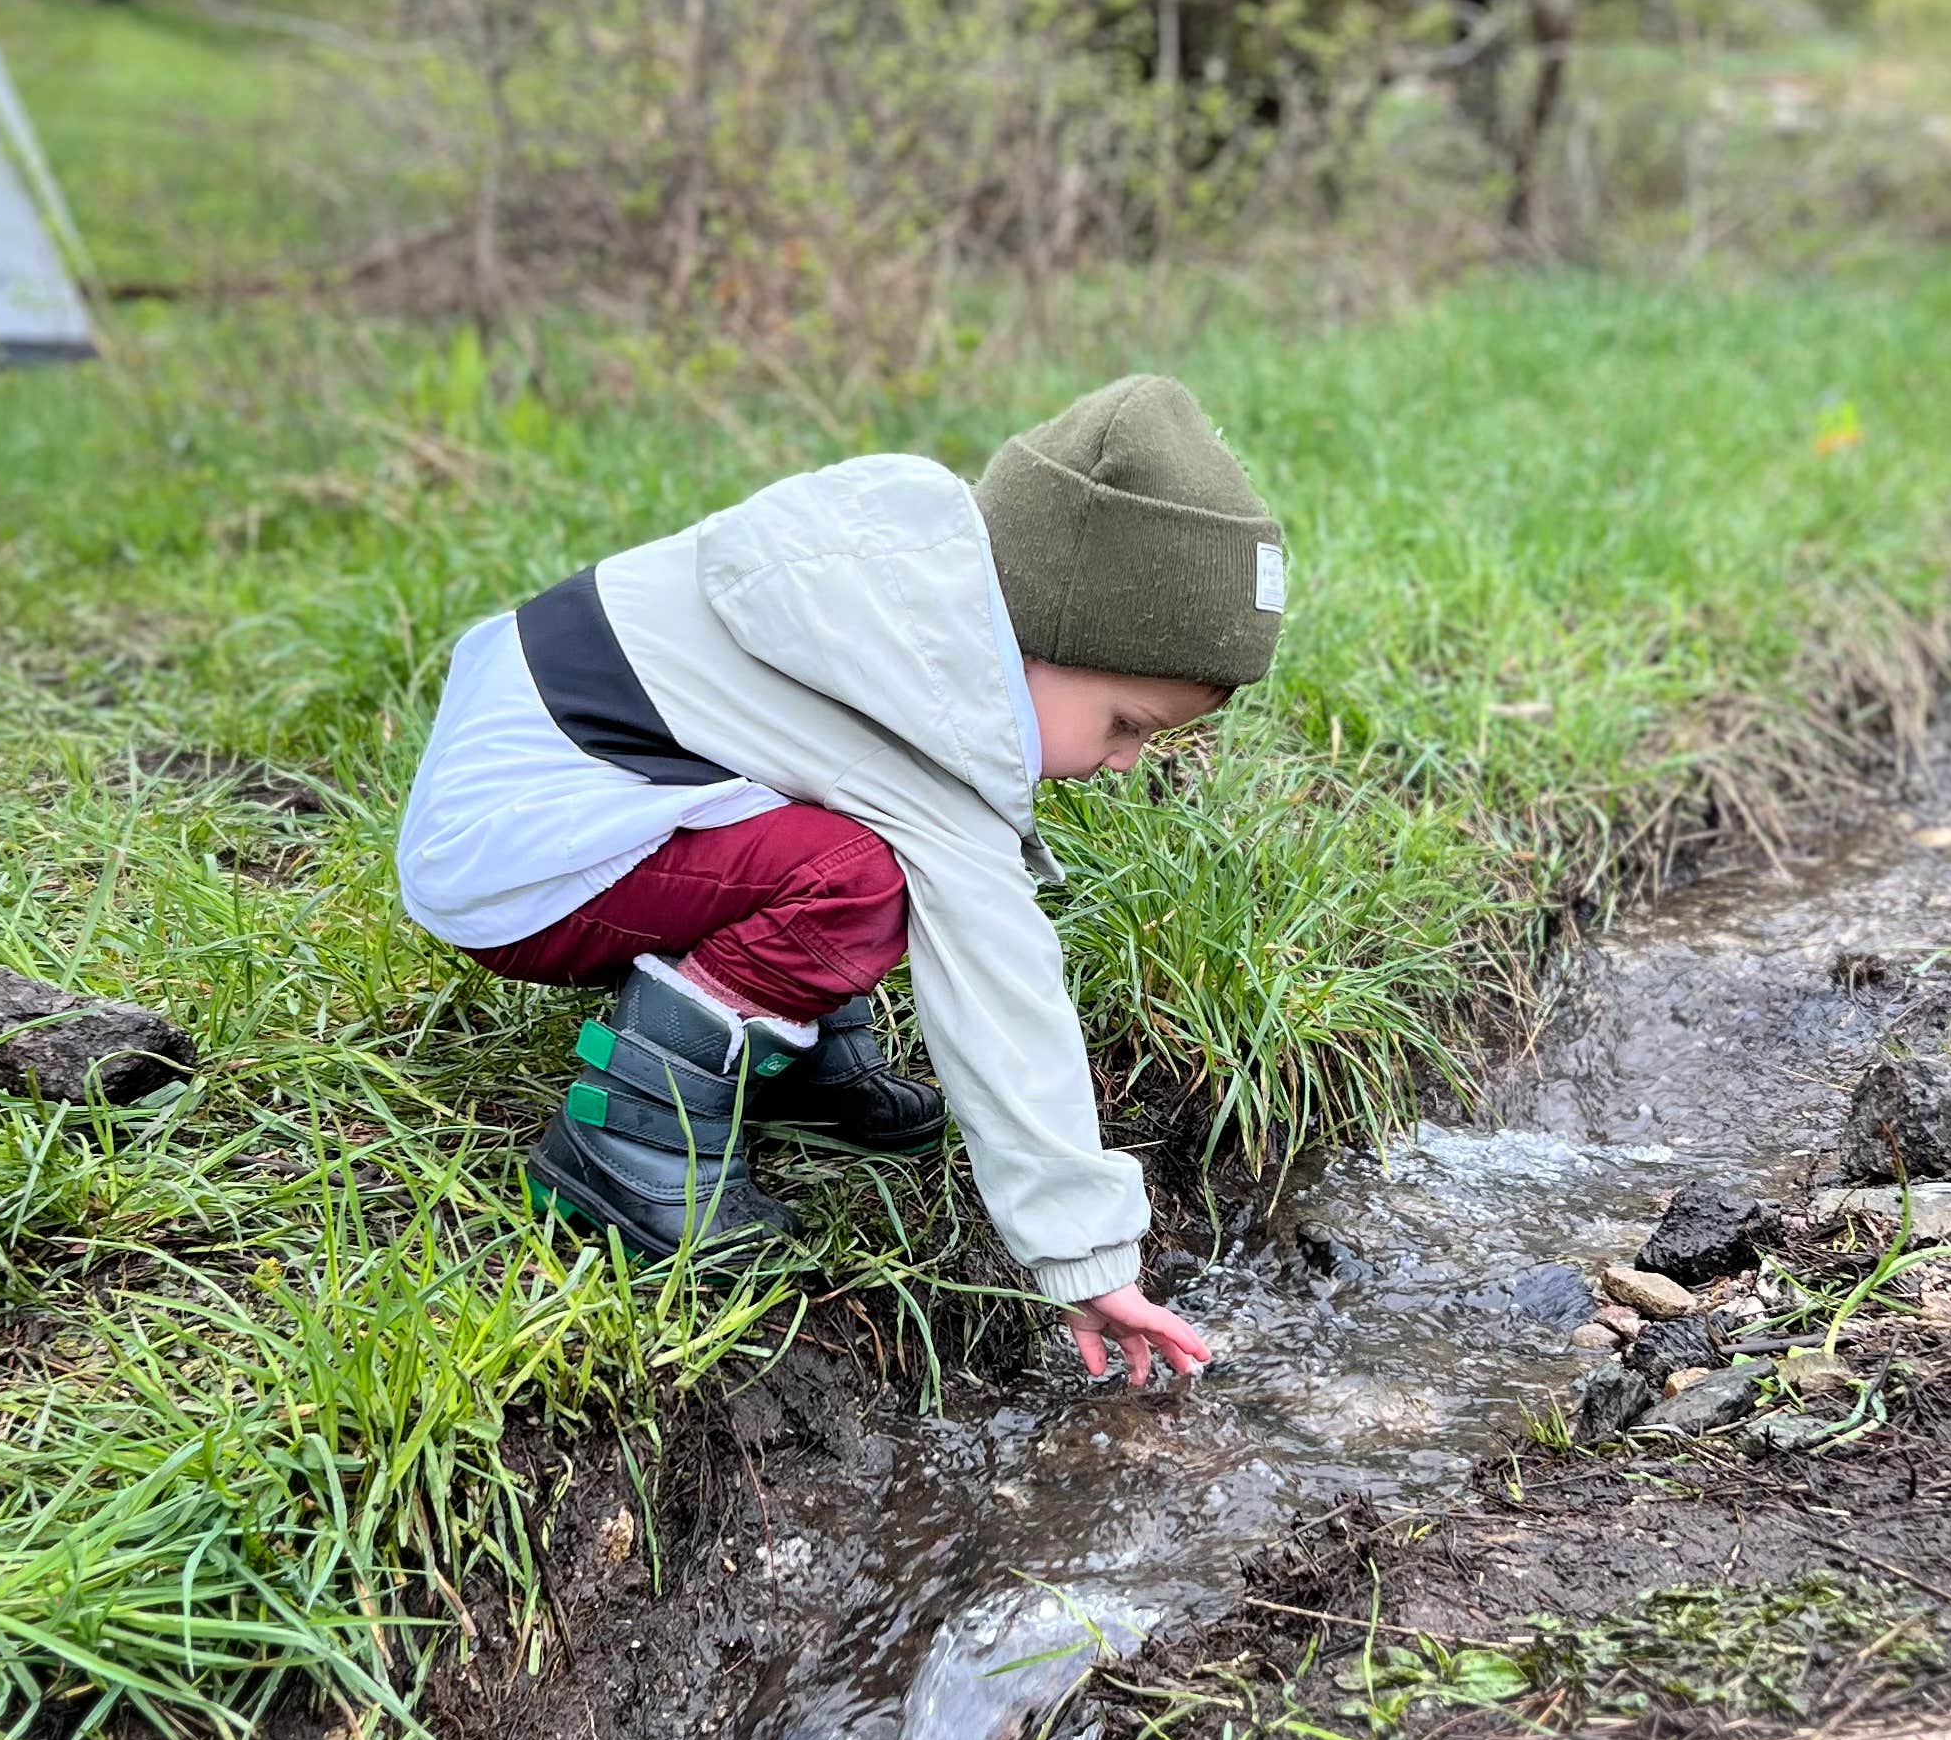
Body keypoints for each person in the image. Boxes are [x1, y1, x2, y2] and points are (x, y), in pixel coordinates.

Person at [396, 375, 1285, 1386]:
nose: (1125, 763)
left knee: (850, 849)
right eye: (1127, 725)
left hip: (534, 782)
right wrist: (1086, 1256)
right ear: (1045, 636)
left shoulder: (893, 604)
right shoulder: (935, 716)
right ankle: (630, 1142)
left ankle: (782, 1057)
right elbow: (1001, 980)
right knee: (854, 878)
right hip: (516, 859)